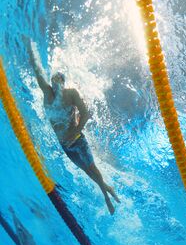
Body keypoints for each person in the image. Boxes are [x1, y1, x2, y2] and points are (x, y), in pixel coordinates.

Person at [26, 39, 120, 214]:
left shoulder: (71, 94)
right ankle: (108, 188)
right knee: (87, 171)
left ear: (63, 82)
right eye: (53, 80)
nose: (55, 83)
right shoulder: (48, 95)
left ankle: (107, 197)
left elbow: (85, 114)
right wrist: (30, 48)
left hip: (77, 140)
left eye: (59, 80)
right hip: (65, 145)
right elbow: (38, 71)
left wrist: (74, 132)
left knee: (93, 168)